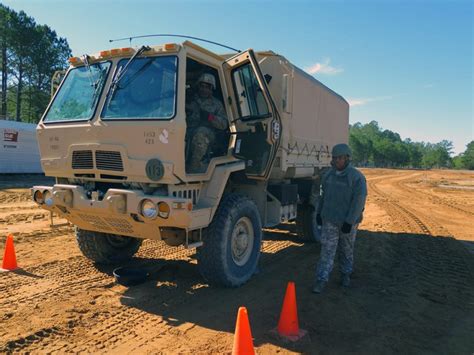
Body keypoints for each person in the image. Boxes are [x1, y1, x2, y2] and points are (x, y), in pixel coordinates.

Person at [312, 143, 367, 294]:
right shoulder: (328, 175)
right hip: (330, 219)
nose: (337, 161)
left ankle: (346, 274)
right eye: (335, 158)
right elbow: (322, 196)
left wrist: (349, 222)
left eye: (340, 158)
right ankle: (322, 279)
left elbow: (359, 202)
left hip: (347, 222)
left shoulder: (356, 178)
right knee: (327, 250)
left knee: (346, 250)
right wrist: (319, 213)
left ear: (347, 158)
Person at [186, 73, 228, 173]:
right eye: (202, 86)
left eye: (207, 87)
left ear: (211, 89)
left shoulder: (216, 104)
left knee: (201, 133)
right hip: (188, 129)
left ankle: (194, 167)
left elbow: (224, 124)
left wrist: (210, 117)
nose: (204, 89)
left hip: (208, 134)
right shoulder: (191, 98)